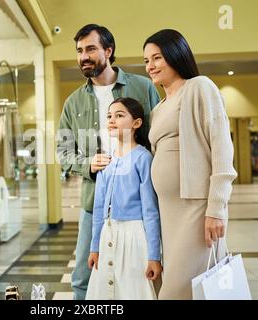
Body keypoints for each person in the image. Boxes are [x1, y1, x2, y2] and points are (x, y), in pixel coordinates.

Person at [56, 23, 160, 300]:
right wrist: (88, 164)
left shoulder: (143, 87)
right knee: (83, 275)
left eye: (90, 48)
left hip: (139, 207)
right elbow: (62, 152)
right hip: (95, 203)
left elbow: (159, 140)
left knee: (140, 275)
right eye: (79, 51)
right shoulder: (73, 102)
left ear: (108, 51)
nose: (83, 56)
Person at [143, 29, 237, 299]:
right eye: (146, 60)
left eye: (157, 57)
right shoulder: (159, 107)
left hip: (196, 208)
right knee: (189, 289)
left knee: (176, 291)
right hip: (168, 212)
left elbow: (221, 148)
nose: (150, 66)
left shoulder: (199, 87)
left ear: (176, 55)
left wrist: (216, 208)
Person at [86, 97, 161, 300]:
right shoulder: (105, 160)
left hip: (134, 237)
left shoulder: (143, 159)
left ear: (136, 123)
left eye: (119, 115)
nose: (112, 119)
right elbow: (99, 207)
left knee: (131, 291)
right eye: (109, 116)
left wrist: (154, 255)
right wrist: (94, 247)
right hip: (106, 236)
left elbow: (150, 211)